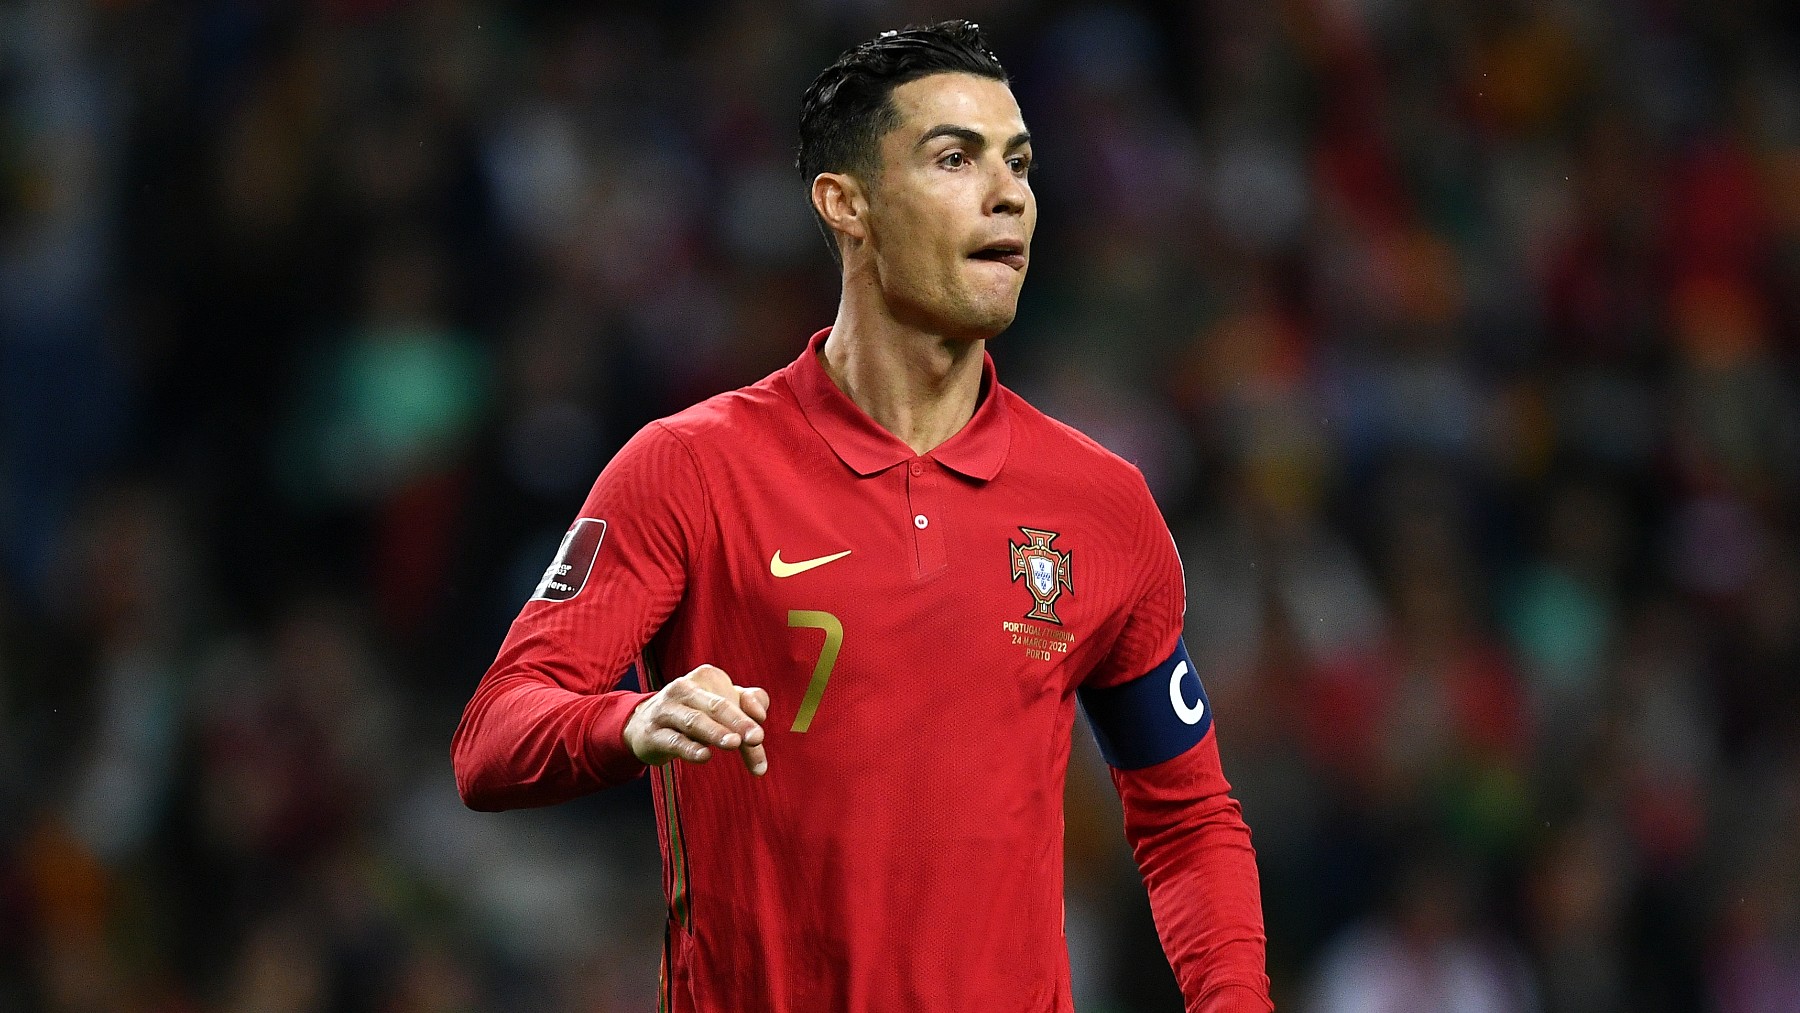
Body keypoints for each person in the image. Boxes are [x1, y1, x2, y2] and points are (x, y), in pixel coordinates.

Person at [452, 20, 1270, 1012]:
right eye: (955, 158)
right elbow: (494, 735)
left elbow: (1187, 818)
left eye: (1018, 162)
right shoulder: (691, 469)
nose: (1008, 191)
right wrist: (632, 718)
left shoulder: (1100, 506)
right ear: (848, 206)